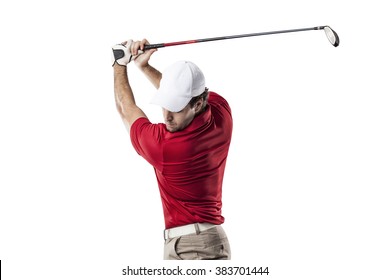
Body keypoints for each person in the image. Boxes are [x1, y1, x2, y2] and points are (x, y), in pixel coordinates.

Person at [111, 38, 233, 260]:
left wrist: (119, 63)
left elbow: (124, 107)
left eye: (175, 108)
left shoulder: (168, 147)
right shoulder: (221, 110)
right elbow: (183, 94)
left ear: (197, 104)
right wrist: (144, 67)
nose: (166, 115)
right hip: (207, 242)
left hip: (192, 248)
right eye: (166, 103)